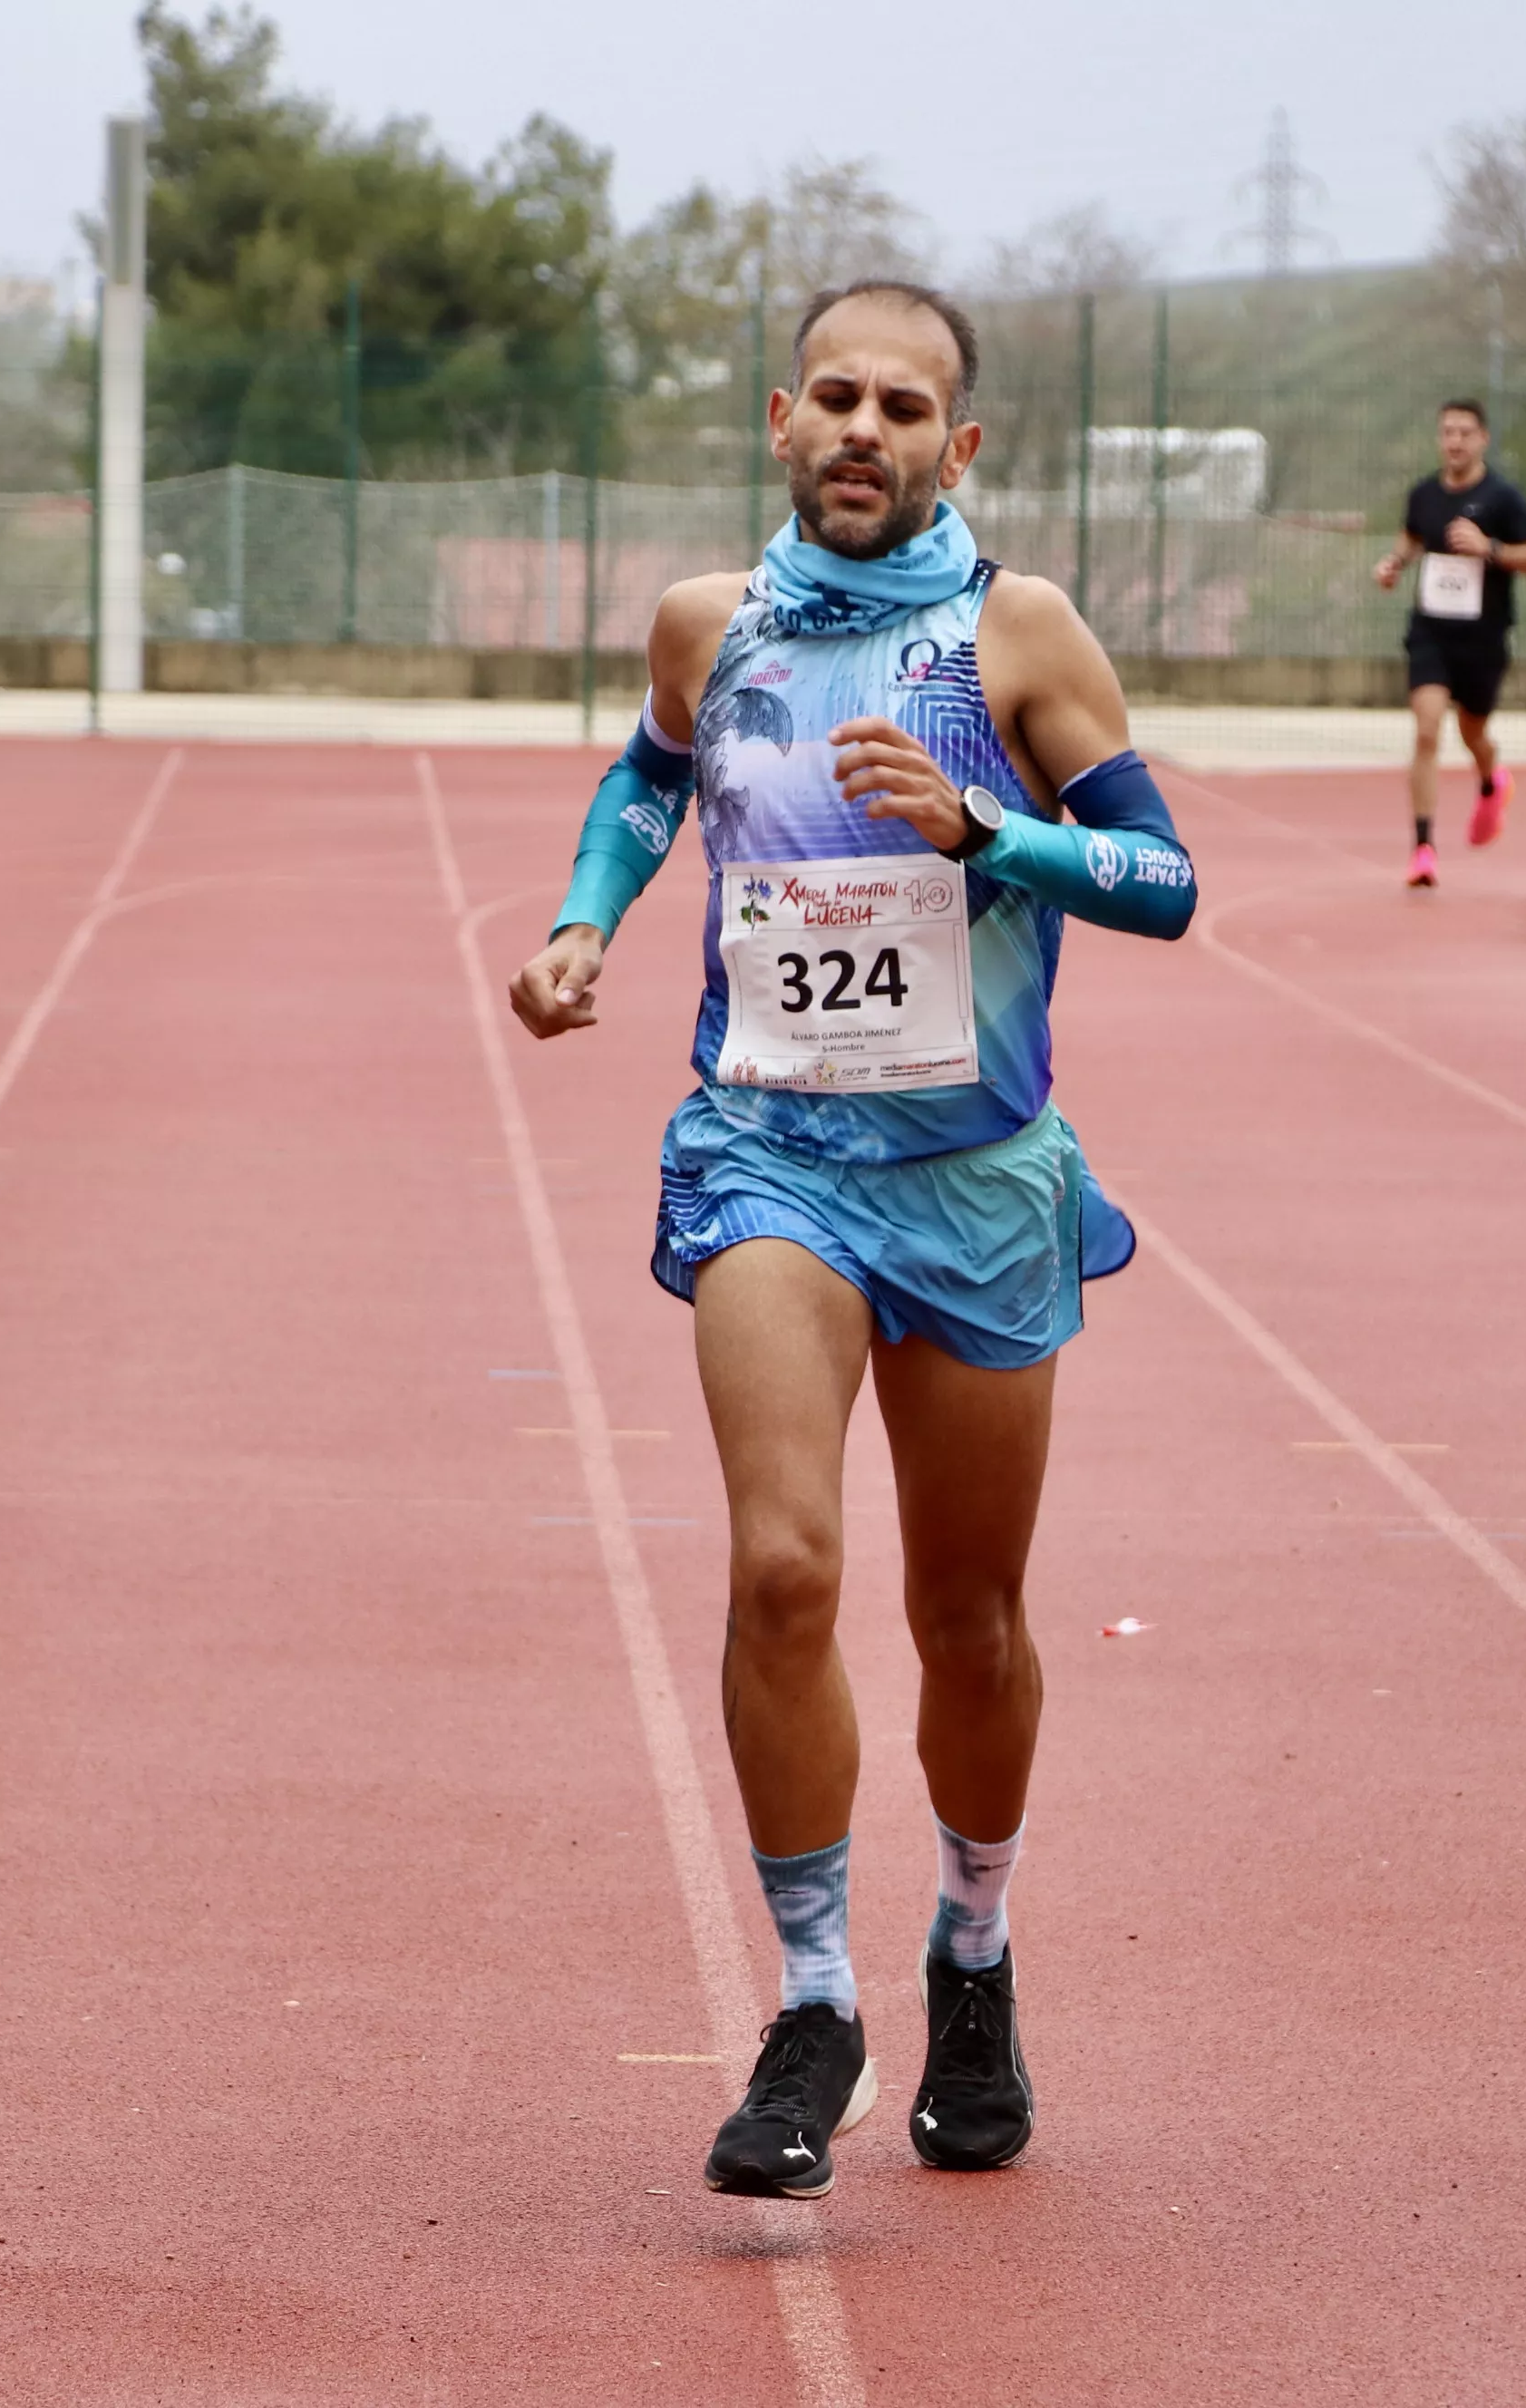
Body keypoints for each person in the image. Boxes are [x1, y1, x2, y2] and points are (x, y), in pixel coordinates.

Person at [506, 280, 1199, 2199]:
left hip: (975, 1185)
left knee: (965, 1618)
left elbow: (1164, 878)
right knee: (785, 1566)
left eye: (908, 405)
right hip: (768, 1160)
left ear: (957, 447)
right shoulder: (705, 627)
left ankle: (970, 1946)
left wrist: (995, 831)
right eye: (837, 396)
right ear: (781, 421)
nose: (868, 428)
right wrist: (588, 918)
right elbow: (653, 772)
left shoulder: (1014, 635)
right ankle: (814, 1998)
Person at [1373, 399, 1526, 885]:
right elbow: (1411, 538)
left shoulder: (1503, 498)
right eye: (1447, 432)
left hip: (1483, 638)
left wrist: (1488, 548)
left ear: (1483, 439)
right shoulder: (1424, 494)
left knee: (1474, 735)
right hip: (1430, 632)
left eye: (1465, 433)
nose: (1454, 442)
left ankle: (1493, 783)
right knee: (1427, 731)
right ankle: (1423, 848)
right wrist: (1393, 563)